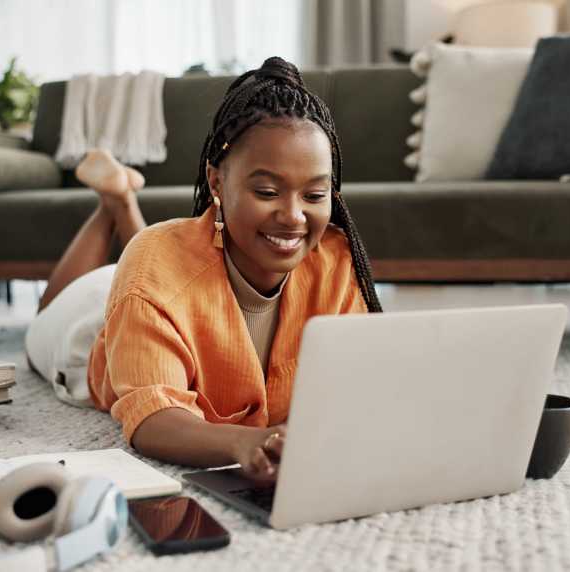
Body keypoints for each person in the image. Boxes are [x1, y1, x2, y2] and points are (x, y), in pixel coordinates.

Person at [25, 56, 382, 482]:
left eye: (315, 194)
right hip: (86, 332)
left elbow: (361, 382)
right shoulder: (151, 270)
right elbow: (153, 417)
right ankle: (114, 205)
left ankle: (121, 200)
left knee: (149, 262)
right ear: (216, 183)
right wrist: (242, 441)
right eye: (267, 191)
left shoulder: (335, 260)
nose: (293, 216)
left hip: (156, 286)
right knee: (53, 308)